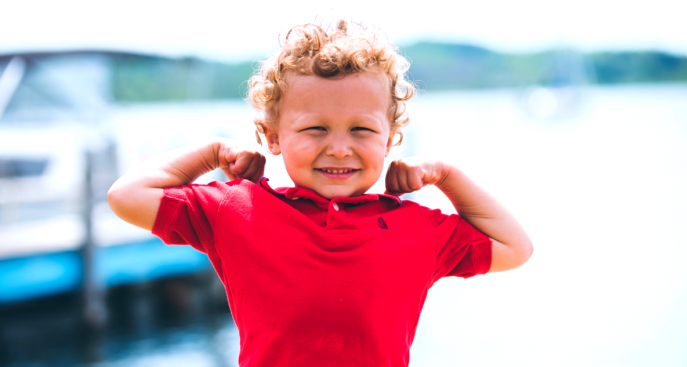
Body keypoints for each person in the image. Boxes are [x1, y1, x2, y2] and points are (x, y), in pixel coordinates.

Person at [108, 19, 532, 367]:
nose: (340, 147)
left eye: (362, 130)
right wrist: (211, 152)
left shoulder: (416, 227)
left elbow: (515, 247)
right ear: (272, 137)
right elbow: (126, 195)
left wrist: (447, 176)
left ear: (390, 140)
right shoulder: (238, 209)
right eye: (315, 128)